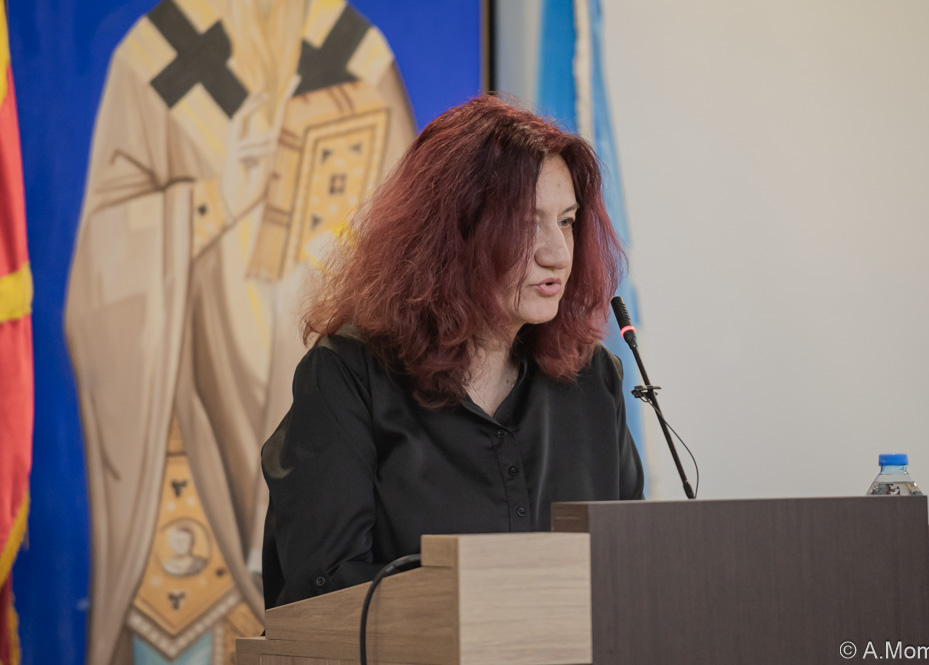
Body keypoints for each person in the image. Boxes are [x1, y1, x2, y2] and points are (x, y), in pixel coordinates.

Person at [64, 1, 415, 662]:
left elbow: (412, 254)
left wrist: (321, 259)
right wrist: (215, 200)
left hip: (333, 438)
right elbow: (99, 281)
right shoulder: (158, 57)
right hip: (193, 436)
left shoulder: (355, 56)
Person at [261, 95, 644, 609]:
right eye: (527, 223)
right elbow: (323, 588)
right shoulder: (349, 376)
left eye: (567, 221)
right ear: (452, 231)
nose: (558, 254)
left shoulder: (594, 381)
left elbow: (630, 566)